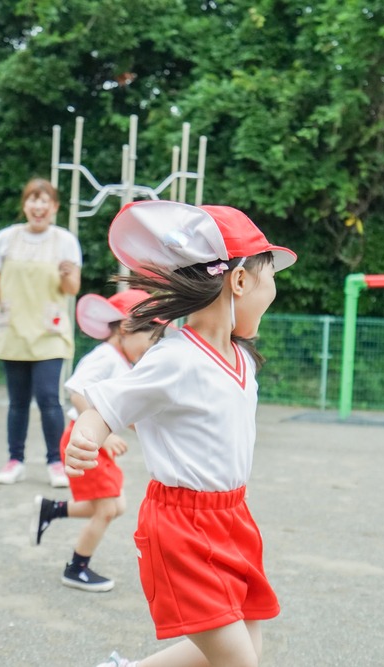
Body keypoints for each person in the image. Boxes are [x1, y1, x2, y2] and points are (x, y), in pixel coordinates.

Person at [64, 200, 297, 667]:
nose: (273, 291)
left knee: (247, 645)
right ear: (239, 280)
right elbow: (106, 402)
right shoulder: (174, 358)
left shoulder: (243, 359)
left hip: (233, 517)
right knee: (238, 661)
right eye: (270, 277)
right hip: (182, 526)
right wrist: (85, 435)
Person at [30, 289, 160, 593]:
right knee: (106, 509)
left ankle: (52, 510)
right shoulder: (104, 357)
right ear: (127, 328)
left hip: (93, 443)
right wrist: (106, 436)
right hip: (84, 441)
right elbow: (76, 392)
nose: (149, 351)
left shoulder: (120, 361)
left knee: (117, 505)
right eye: (149, 342)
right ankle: (76, 568)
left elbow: (119, 408)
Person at [0, 178, 82, 488]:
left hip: (49, 330)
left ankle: (55, 462)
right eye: (32, 200)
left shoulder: (65, 241)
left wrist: (66, 276)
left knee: (49, 397)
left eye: (44, 200)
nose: (38, 206)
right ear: (25, 205)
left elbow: (72, 289)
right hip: (14, 329)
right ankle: (15, 460)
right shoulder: (6, 238)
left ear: (54, 207)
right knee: (17, 401)